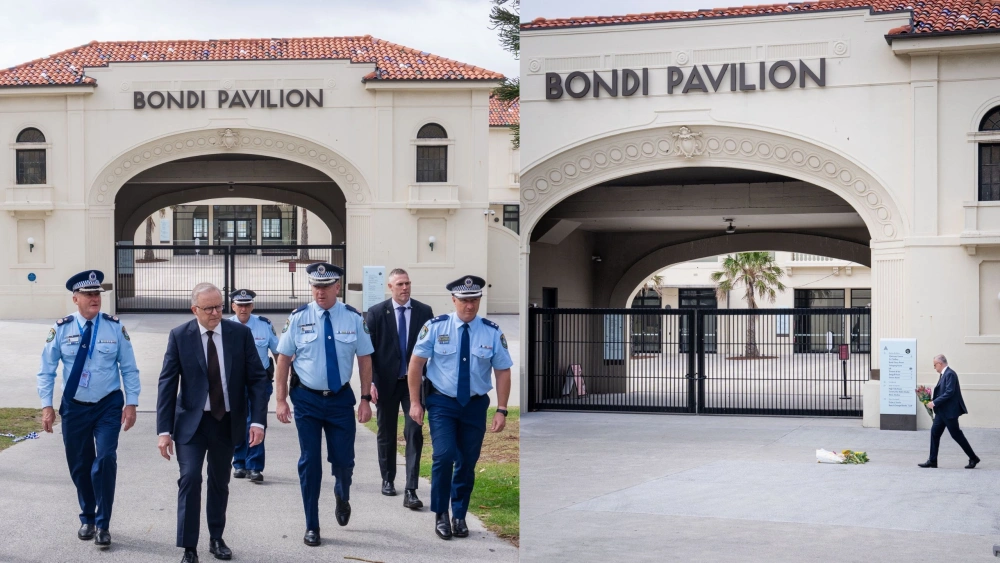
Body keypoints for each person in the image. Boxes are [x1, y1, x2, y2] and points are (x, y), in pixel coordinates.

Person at [156, 282, 270, 563]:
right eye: (209, 308)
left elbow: (257, 379)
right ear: (195, 309)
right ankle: (189, 547)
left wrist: (257, 421)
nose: (216, 313)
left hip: (226, 421)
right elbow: (167, 384)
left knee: (220, 481)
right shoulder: (180, 336)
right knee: (191, 478)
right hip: (191, 425)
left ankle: (216, 538)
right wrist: (164, 431)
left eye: (219, 306)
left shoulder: (239, 335)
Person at [37, 270, 140, 550]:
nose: (95, 299)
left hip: (108, 404)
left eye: (98, 294)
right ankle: (88, 517)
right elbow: (46, 371)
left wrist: (131, 403)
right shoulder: (61, 329)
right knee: (80, 465)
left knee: (105, 459)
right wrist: (47, 406)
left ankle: (103, 524)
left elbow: (129, 369)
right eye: (89, 294)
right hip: (75, 406)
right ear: (75, 298)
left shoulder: (114, 328)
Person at [275, 263, 375, 547]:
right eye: (315, 286)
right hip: (306, 398)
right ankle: (312, 524)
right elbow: (283, 359)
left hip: (341, 399)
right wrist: (281, 399)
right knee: (310, 463)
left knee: (343, 462)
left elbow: (365, 358)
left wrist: (365, 399)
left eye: (325, 286)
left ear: (337, 287)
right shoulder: (298, 318)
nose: (320, 292)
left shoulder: (353, 318)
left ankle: (342, 493)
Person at [407, 275, 512, 540]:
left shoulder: (491, 331)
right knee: (443, 455)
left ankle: (460, 515)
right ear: (454, 300)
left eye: (474, 300)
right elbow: (416, 364)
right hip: (442, 402)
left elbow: (502, 371)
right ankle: (441, 513)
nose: (469, 306)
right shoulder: (436, 327)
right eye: (464, 300)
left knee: (467, 462)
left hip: (475, 405)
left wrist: (501, 409)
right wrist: (415, 402)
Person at [365, 268, 433, 509]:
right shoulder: (375, 313)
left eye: (408, 283)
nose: (405, 288)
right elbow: (367, 353)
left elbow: (430, 350)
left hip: (413, 384)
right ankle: (387, 478)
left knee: (414, 431)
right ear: (390, 287)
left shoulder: (425, 312)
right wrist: (370, 383)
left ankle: (411, 488)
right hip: (385, 382)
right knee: (386, 431)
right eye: (400, 284)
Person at [228, 289, 279, 483]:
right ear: (233, 306)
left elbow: (277, 352)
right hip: (234, 383)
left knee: (257, 421)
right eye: (239, 305)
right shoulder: (225, 326)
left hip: (259, 382)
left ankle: (255, 466)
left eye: (247, 304)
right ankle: (239, 462)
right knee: (238, 421)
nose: (243, 308)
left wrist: (285, 378)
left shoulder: (264, 325)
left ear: (252, 306)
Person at [919, 354, 981, 469]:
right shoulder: (944, 375)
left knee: (957, 435)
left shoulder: (950, 374)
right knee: (934, 433)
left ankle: (973, 458)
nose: (934, 368)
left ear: (940, 364)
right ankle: (932, 460)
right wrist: (933, 400)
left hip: (949, 413)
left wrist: (934, 403)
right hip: (942, 413)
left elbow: (949, 392)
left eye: (934, 365)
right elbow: (943, 392)